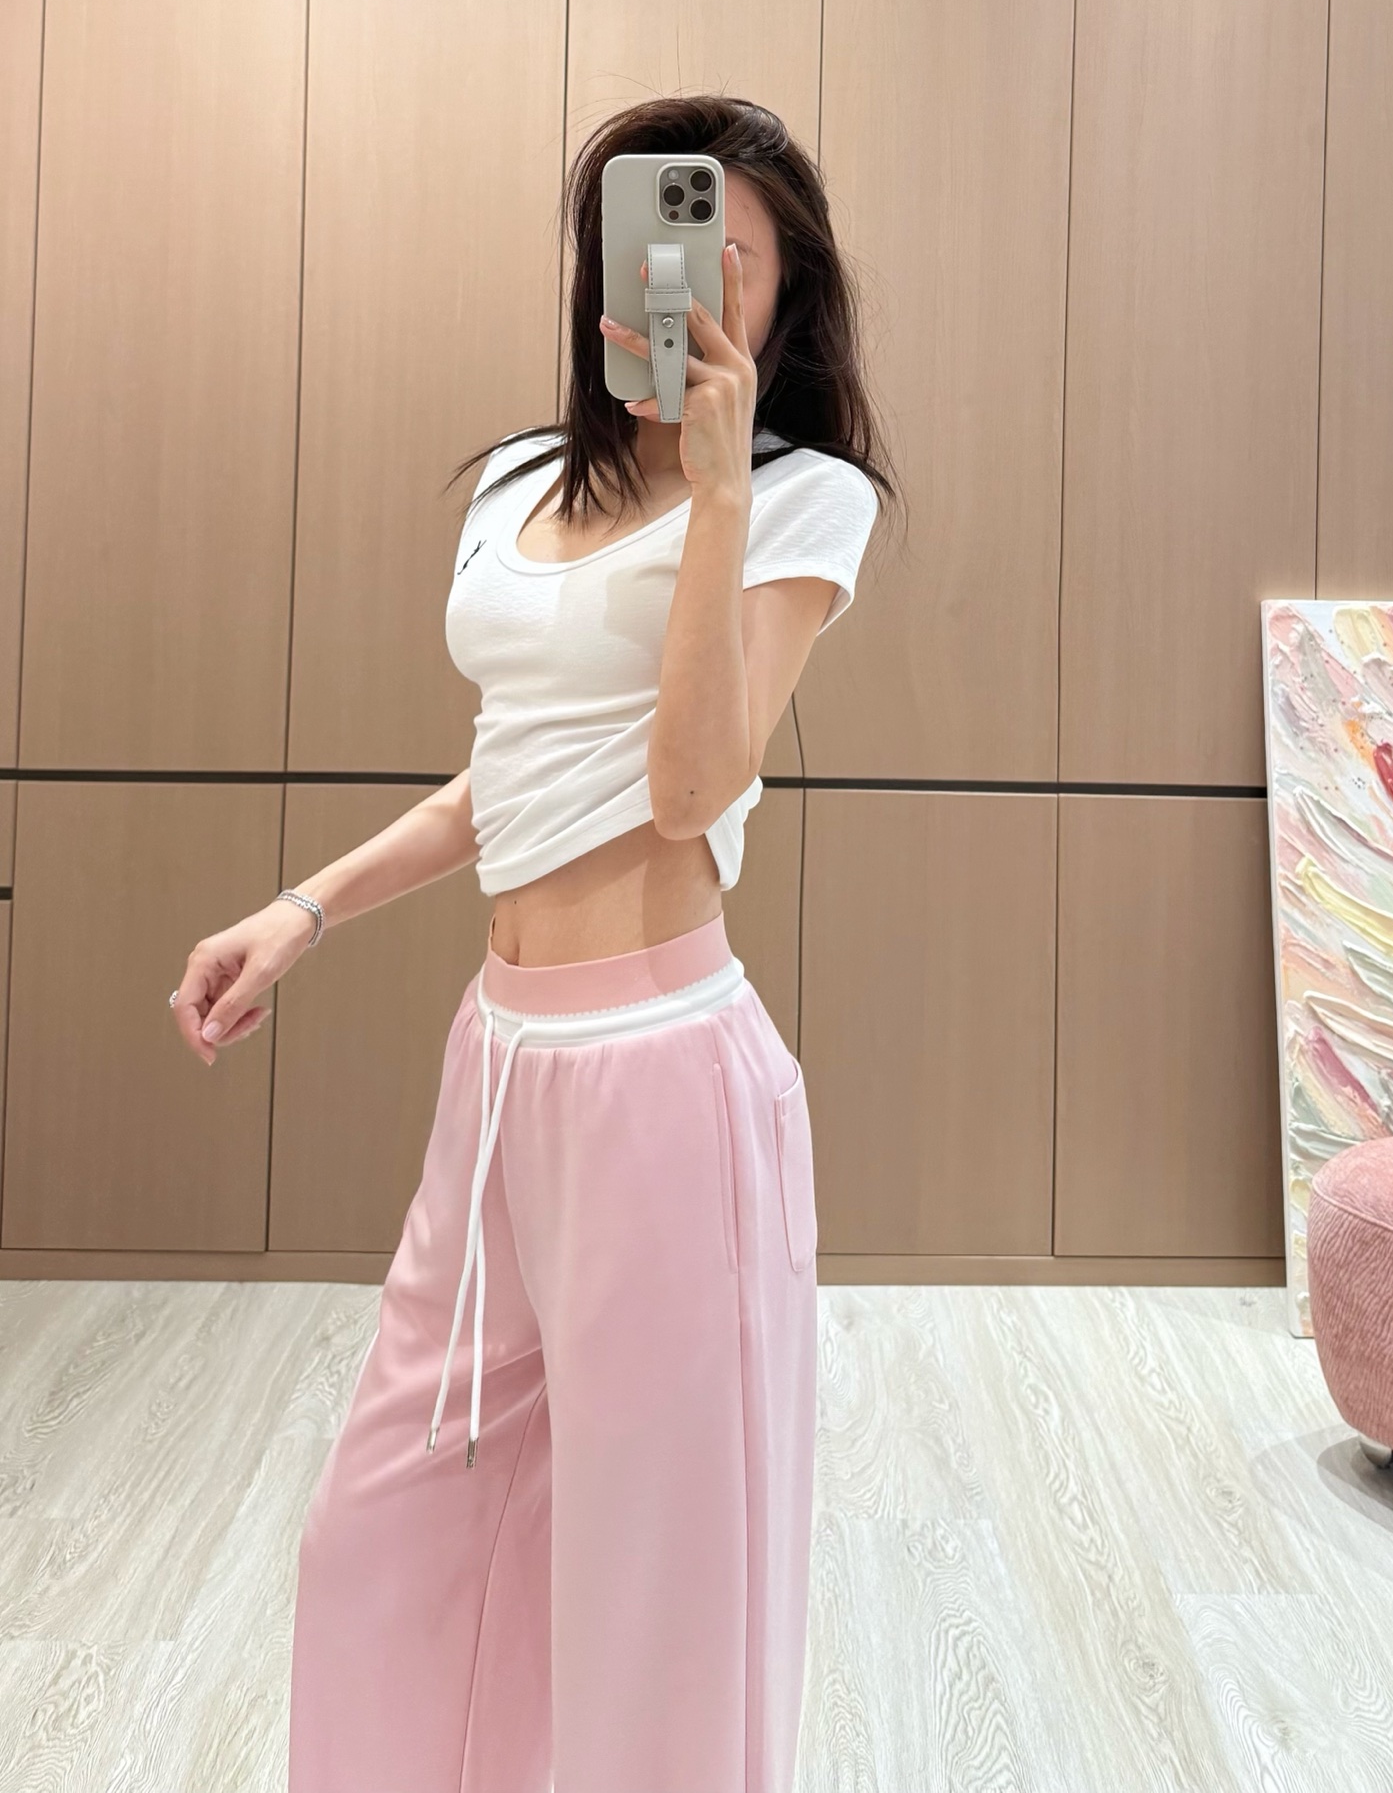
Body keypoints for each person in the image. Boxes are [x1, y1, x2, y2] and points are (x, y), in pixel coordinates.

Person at [169, 93, 900, 1793]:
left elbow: (692, 784)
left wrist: (714, 496)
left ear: (788, 301)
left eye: (730, 263)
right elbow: (506, 775)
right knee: (383, 1533)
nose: (686, 289)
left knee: (659, 1599)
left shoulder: (804, 501)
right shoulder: (516, 481)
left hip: (665, 1083)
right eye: (656, 247)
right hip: (498, 1068)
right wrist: (302, 909)